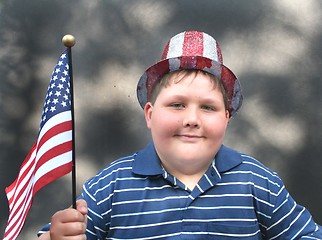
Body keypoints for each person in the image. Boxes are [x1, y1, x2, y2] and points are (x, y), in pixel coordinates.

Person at [38, 31, 322, 239]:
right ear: (150, 114)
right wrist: (56, 236)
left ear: (226, 118)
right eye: (177, 104)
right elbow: (56, 234)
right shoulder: (110, 186)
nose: (191, 120)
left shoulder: (258, 182)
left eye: (208, 108)